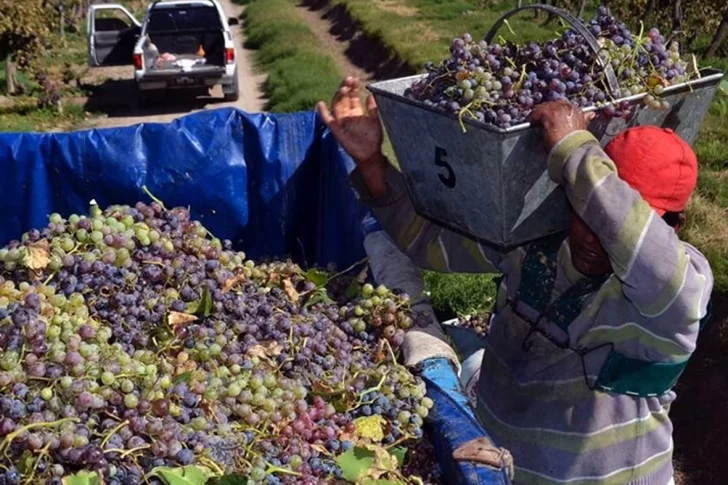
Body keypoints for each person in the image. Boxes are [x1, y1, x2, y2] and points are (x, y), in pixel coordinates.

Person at [317, 77, 713, 485]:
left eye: (605, 218)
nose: (596, 236)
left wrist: (575, 152)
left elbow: (642, 242)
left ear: (675, 227)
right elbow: (429, 241)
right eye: (584, 213)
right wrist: (373, 165)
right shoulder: (536, 246)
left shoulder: (680, 294)